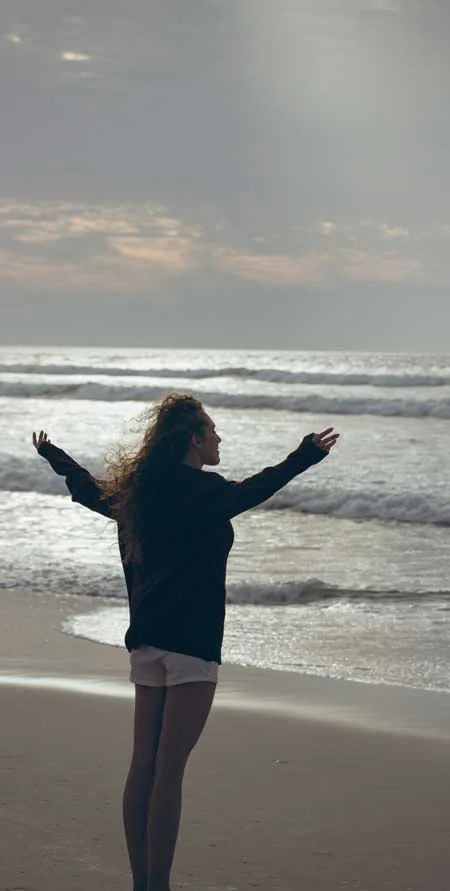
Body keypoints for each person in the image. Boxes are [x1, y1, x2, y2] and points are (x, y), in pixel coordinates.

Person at [33, 393, 339, 891]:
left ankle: (142, 883)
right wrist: (303, 456)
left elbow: (89, 490)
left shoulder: (138, 494)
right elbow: (257, 488)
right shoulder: (206, 492)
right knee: (169, 770)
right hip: (193, 643)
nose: (219, 439)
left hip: (147, 642)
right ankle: (159, 884)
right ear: (194, 440)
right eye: (213, 432)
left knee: (144, 766)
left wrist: (56, 456)